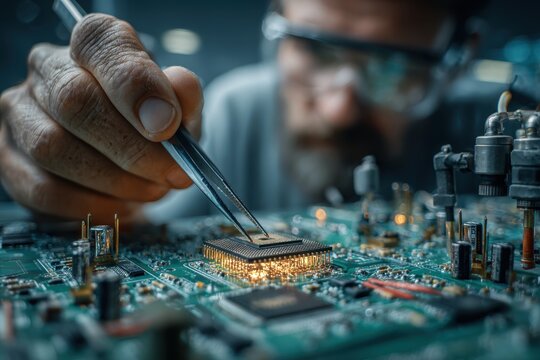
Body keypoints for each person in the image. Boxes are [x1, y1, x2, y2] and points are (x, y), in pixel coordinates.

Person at [0, 0, 486, 224]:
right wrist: (75, 177)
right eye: (316, 50)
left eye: (393, 69)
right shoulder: (234, 110)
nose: (339, 109)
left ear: (459, 61)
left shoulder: (496, 143)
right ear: (274, 21)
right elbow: (133, 227)